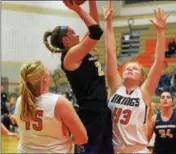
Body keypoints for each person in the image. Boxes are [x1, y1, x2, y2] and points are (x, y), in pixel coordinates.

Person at [43, 0, 114, 153]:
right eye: (73, 32)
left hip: (102, 111)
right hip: (90, 114)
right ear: (66, 40)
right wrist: (78, 9)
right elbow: (96, 31)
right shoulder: (70, 57)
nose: (78, 34)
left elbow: (94, 25)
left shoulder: (79, 51)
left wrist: (92, 2)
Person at [104, 1, 169, 152]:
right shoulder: (116, 87)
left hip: (137, 150)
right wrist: (108, 23)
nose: (130, 69)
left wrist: (160, 32)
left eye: (135, 69)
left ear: (141, 78)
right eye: (127, 68)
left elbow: (159, 62)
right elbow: (110, 53)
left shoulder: (144, 92)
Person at [13, 59, 87, 153]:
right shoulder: (59, 102)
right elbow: (82, 138)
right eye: (47, 70)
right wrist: (71, 138)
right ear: (44, 79)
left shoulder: (20, 101)